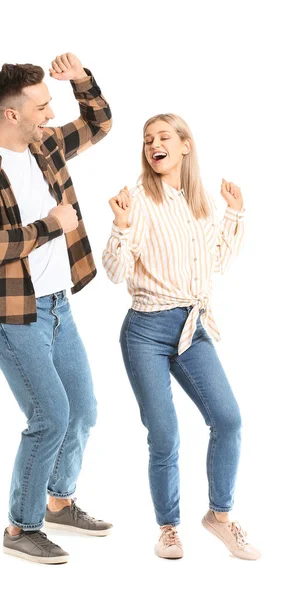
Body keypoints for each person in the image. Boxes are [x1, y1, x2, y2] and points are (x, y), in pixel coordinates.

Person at [0, 53, 113, 565]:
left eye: (50, 104)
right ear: (12, 114)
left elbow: (98, 123)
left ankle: (60, 501)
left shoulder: (45, 144)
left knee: (83, 412)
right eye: (42, 106)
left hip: (58, 305)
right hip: (10, 315)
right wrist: (48, 226)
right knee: (51, 416)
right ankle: (21, 527)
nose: (50, 113)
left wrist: (82, 80)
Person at [102, 113, 261, 561]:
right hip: (145, 332)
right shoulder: (136, 200)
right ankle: (169, 528)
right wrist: (121, 225)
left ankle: (220, 518)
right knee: (166, 434)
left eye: (164, 137)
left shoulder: (203, 203)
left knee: (228, 420)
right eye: (148, 139)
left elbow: (217, 264)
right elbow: (115, 273)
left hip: (193, 327)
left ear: (185, 145)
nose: (154, 144)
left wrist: (235, 212)